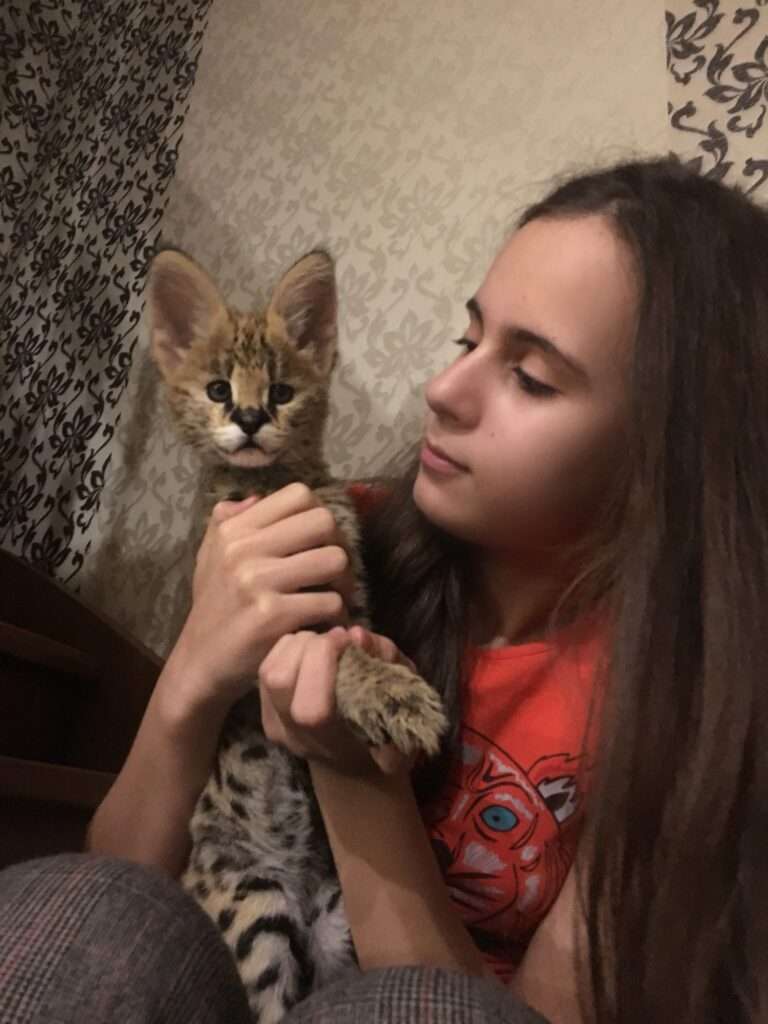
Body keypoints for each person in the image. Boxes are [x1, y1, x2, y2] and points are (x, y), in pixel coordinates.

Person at [82, 156, 765, 1024]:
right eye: (467, 340)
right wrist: (191, 673)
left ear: (670, 453)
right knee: (84, 913)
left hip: (411, 998)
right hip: (248, 955)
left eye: (531, 376)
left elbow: (471, 1015)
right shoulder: (337, 538)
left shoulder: (679, 707)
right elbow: (120, 887)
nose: (442, 391)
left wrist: (354, 776)